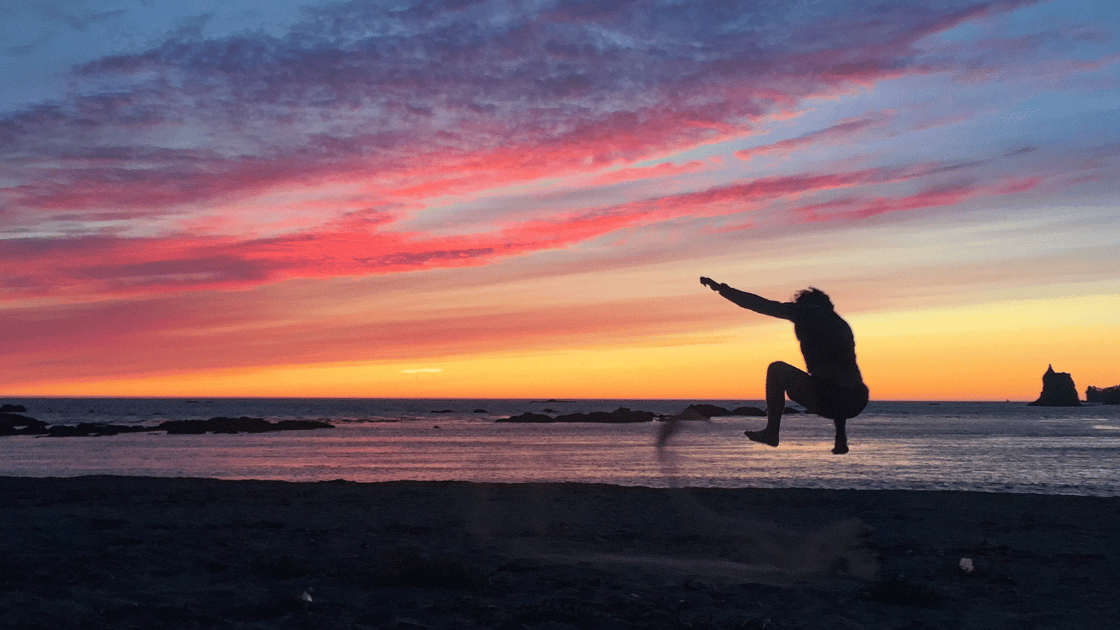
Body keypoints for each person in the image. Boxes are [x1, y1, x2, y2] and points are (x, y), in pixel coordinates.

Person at [700, 277, 868, 454]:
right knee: (833, 383)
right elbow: (841, 379)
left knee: (776, 370)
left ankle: (772, 432)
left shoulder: (803, 313)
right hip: (856, 400)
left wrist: (722, 290)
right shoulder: (840, 324)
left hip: (828, 397)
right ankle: (840, 438)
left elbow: (759, 304)